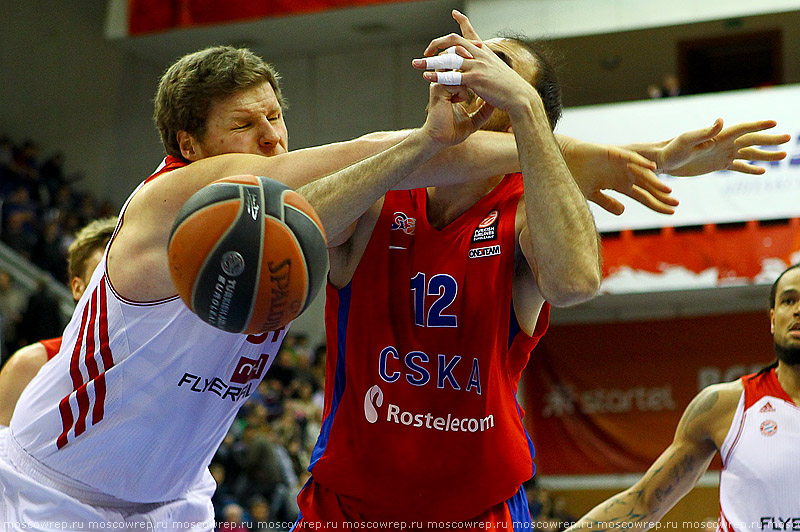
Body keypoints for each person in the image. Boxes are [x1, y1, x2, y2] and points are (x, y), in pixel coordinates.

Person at [0, 37, 672, 530]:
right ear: (189, 144)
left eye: (274, 118)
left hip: (177, 503)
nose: (271, 139)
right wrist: (595, 152)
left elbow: (575, 277)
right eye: (244, 124)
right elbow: (369, 153)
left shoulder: (281, 223)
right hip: (58, 490)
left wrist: (535, 130)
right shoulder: (178, 199)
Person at [294, 10, 791, 529]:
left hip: (477, 509)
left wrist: (529, 113)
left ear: (520, 109)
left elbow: (576, 283)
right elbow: (294, 224)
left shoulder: (527, 207)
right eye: (472, 57)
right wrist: (427, 140)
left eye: (498, 65)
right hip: (348, 506)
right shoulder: (383, 184)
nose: (474, 63)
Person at [565, 262, 800, 532]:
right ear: (772, 319)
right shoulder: (724, 406)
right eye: (788, 300)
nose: (798, 310)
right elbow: (642, 504)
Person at [0, 217, 117, 426]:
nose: (116, 289)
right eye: (103, 277)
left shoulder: (155, 376)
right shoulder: (28, 366)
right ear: (77, 288)